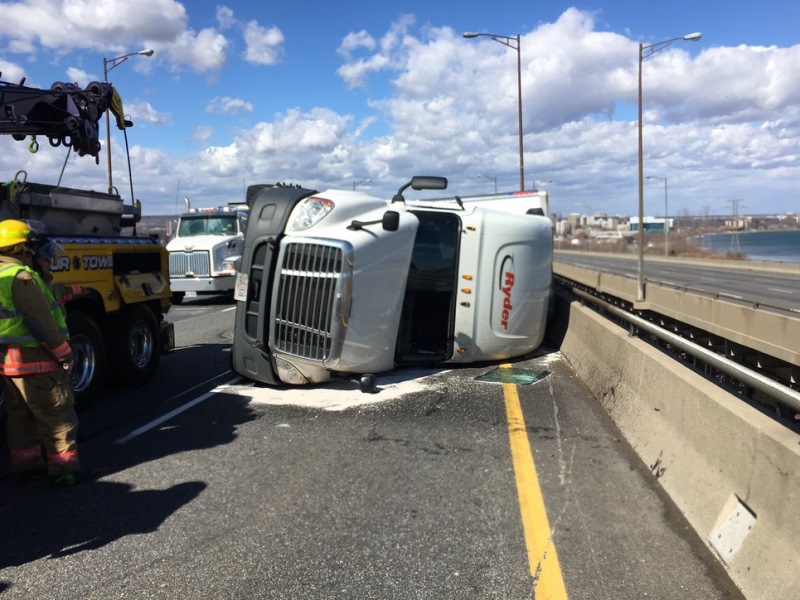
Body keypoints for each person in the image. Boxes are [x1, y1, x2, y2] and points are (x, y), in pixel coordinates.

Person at [0, 219, 81, 488]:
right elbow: (40, 322)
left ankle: (26, 467)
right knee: (57, 416)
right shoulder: (22, 277)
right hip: (37, 362)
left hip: (9, 365)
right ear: (22, 247)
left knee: (19, 417)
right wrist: (64, 354)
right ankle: (64, 471)